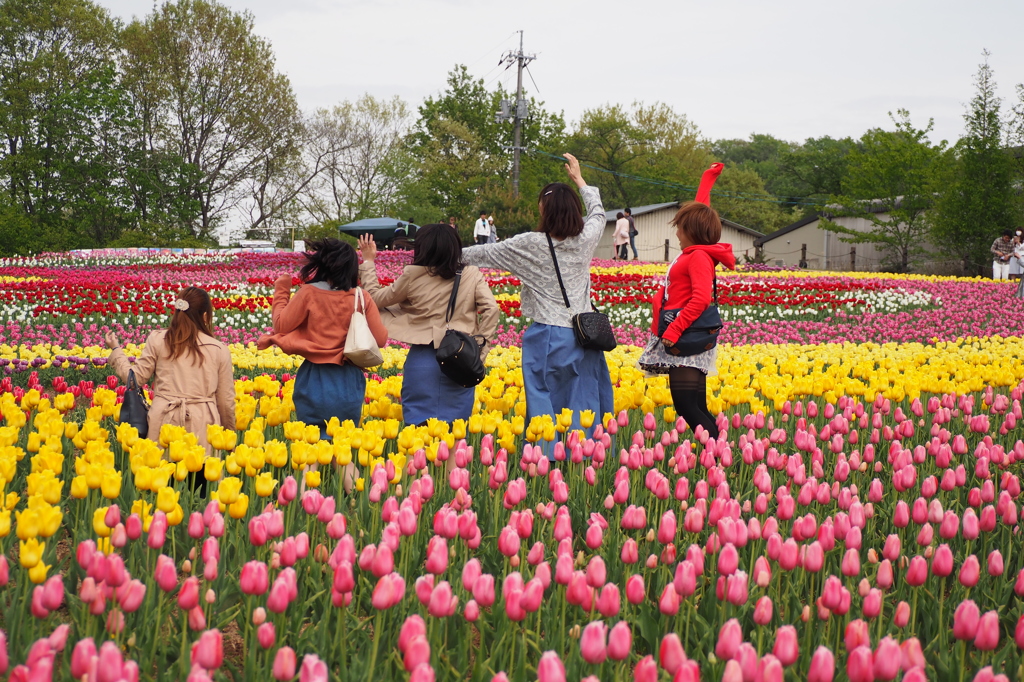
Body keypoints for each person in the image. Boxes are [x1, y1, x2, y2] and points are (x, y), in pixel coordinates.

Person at [461, 153, 614, 455]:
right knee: (582, 402)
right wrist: (580, 180)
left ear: (544, 210)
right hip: (585, 335)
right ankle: (585, 460)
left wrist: (438, 250)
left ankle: (546, 462)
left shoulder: (530, 243)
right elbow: (598, 213)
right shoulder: (586, 237)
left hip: (548, 335)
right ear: (573, 211)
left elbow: (480, 254)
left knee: (544, 401)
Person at [358, 225, 500, 426]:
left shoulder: (413, 275)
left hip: (423, 361)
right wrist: (478, 353)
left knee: (416, 434)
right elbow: (492, 310)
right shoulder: (471, 274)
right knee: (455, 437)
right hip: (460, 361)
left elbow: (374, 298)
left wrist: (368, 261)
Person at [257, 238, 388, 437]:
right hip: (348, 379)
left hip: (314, 378)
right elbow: (380, 340)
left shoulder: (308, 293)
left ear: (320, 264)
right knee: (342, 444)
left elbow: (281, 326)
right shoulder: (361, 297)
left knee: (312, 444)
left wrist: (282, 290)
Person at [639, 202, 734, 442]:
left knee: (686, 406)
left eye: (680, 227)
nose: (677, 233)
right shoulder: (693, 254)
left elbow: (701, 299)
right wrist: (708, 179)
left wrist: (674, 329)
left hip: (686, 336)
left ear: (692, 231)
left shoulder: (698, 256)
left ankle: (714, 457)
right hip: (683, 334)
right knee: (695, 406)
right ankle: (717, 455)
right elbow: (700, 205)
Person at [104, 286, 235, 457]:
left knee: (162, 476)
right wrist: (229, 436)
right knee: (200, 477)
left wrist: (116, 351)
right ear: (204, 316)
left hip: (164, 421)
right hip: (203, 424)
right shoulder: (219, 349)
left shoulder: (158, 340)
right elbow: (225, 402)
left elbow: (134, 379)